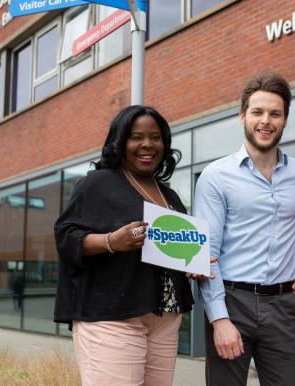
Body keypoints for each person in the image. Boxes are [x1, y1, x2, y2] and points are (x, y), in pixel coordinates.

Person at [53, 105, 194, 386]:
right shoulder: (97, 184)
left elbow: (174, 249)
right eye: (136, 137)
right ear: (119, 142)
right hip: (112, 316)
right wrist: (111, 241)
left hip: (164, 317)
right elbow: (65, 237)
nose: (147, 145)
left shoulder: (169, 195)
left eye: (155, 137)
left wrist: (194, 263)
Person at [194, 72, 295, 385]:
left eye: (275, 114)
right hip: (231, 300)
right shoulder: (215, 176)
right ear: (242, 116)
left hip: (282, 305)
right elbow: (206, 254)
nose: (266, 121)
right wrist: (219, 318)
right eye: (257, 112)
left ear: (285, 120)